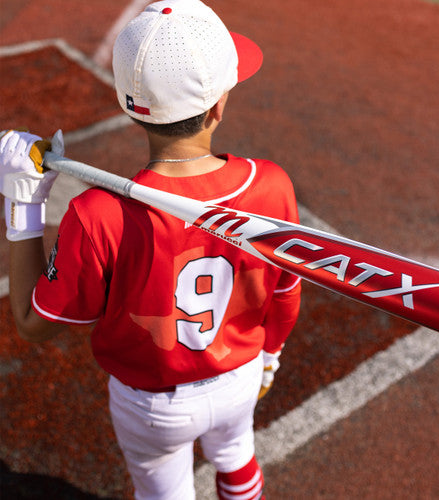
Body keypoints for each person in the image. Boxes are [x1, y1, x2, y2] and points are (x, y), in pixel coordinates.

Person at [0, 1, 301, 499]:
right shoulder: (271, 183)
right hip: (240, 376)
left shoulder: (98, 213)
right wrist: (271, 355)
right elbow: (286, 294)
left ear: (129, 104)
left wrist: (23, 205)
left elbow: (32, 325)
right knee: (237, 457)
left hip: (151, 405)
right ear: (218, 105)